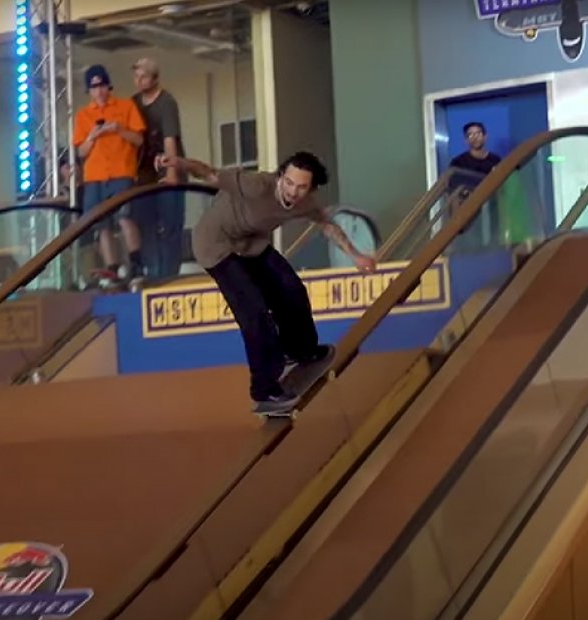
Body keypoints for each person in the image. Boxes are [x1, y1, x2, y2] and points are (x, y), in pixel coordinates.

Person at [157, 151, 377, 414]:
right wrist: (179, 163)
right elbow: (209, 173)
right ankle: (264, 388)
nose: (292, 192)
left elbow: (327, 225)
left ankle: (299, 351)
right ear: (281, 176)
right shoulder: (256, 185)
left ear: (311, 189)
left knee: (291, 288)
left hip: (250, 243)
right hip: (216, 244)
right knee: (254, 312)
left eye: (301, 187)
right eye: (289, 183)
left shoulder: (306, 203)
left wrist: (356, 255)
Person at [72, 64, 146, 287]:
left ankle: (136, 263)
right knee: (101, 224)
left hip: (121, 171)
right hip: (94, 176)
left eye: (102, 85)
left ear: (108, 86)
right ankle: (112, 268)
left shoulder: (125, 106)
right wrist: (93, 136)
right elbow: (81, 152)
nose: (99, 91)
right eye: (94, 87)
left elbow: (139, 140)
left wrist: (118, 129)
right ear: (89, 91)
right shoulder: (84, 116)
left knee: (125, 217)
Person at [131, 56, 188, 281]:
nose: (138, 80)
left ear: (155, 78)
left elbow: (170, 138)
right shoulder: (133, 103)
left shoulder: (167, 102)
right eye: (136, 76)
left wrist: (172, 172)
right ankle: (152, 273)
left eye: (143, 76)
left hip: (167, 170)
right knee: (146, 224)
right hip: (144, 174)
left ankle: (169, 275)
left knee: (171, 224)